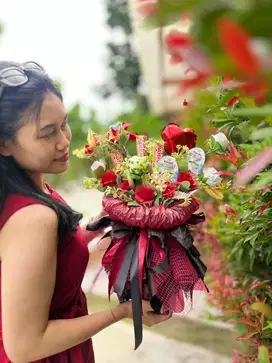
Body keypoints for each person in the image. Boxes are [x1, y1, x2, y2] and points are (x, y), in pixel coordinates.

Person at [0, 61, 171, 363]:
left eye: (63, 124)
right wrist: (121, 311)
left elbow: (54, 254)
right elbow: (24, 347)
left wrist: (108, 223)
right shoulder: (33, 219)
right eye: (47, 134)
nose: (64, 141)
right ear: (4, 144)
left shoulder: (37, 192)